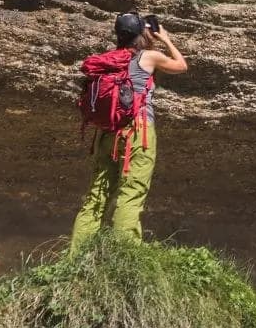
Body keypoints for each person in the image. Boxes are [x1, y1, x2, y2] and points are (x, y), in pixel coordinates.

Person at [70, 12, 187, 248]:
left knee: (96, 195)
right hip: (138, 130)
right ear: (141, 34)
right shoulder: (149, 57)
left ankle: (77, 254)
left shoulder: (108, 60)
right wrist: (164, 38)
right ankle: (127, 254)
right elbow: (181, 66)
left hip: (107, 131)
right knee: (131, 191)